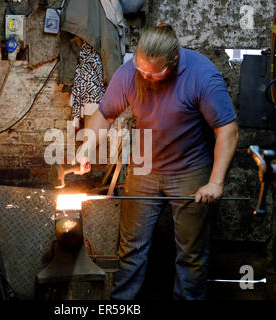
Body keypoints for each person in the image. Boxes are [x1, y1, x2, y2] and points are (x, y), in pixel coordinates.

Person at [76, 25, 239, 300]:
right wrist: (87, 147)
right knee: (130, 249)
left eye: (155, 73)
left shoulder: (202, 75)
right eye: (142, 71)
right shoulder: (130, 73)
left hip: (189, 170)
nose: (147, 79)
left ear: (174, 62)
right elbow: (105, 114)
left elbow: (228, 130)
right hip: (145, 168)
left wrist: (215, 182)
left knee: (190, 254)